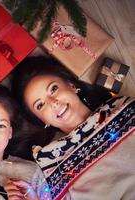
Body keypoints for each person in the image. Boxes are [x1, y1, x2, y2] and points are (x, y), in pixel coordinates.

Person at [11, 56, 135, 200]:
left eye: (53, 89)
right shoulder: (51, 162)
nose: (53, 103)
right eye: (40, 105)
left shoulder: (121, 108)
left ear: (71, 85)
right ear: (41, 120)